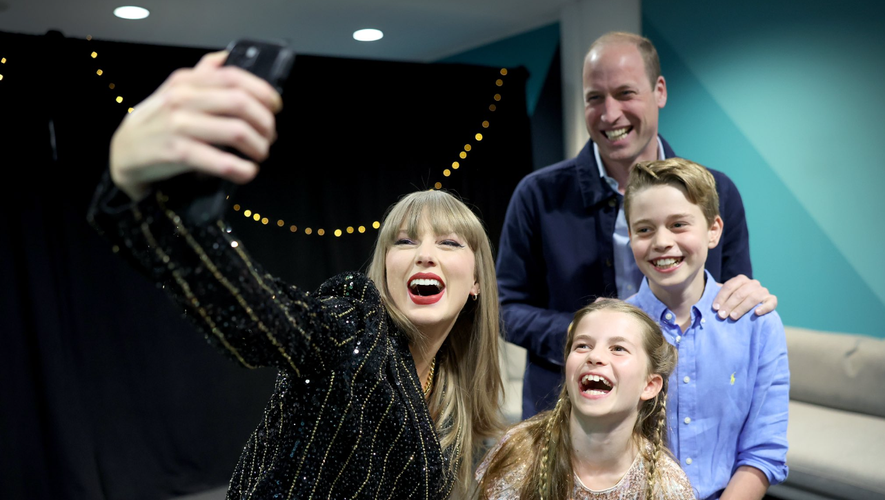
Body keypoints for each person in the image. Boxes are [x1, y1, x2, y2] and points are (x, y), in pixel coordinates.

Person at [87, 51, 504, 499]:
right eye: (404, 241)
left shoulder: (451, 388)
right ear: (384, 267)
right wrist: (137, 194)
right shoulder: (351, 330)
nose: (424, 255)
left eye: (449, 243)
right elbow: (255, 314)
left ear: (477, 280)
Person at [496, 31, 779, 418]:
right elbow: (503, 307)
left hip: (688, 411)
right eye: (595, 98)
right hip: (566, 411)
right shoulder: (537, 195)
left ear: (659, 91)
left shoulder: (719, 192)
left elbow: (732, 297)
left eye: (625, 93)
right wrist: (579, 333)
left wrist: (750, 296)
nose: (610, 114)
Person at [624, 158, 789, 499]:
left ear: (713, 230)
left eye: (679, 224)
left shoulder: (758, 325)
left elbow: (763, 451)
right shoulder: (614, 328)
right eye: (644, 229)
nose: (661, 241)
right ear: (629, 236)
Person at [475, 299, 694, 499]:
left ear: (649, 385)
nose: (595, 357)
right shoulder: (519, 453)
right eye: (582, 346)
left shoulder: (666, 486)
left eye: (618, 348)